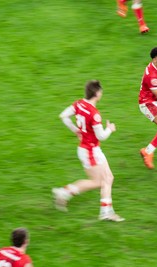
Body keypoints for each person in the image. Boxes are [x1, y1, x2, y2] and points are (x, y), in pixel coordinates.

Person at [52, 80, 125, 222]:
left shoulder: (79, 104)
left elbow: (63, 116)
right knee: (99, 181)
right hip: (90, 151)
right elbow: (101, 136)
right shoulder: (94, 114)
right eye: (101, 91)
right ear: (97, 93)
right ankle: (65, 193)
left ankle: (105, 211)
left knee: (108, 178)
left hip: (88, 149)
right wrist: (110, 129)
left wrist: (75, 130)